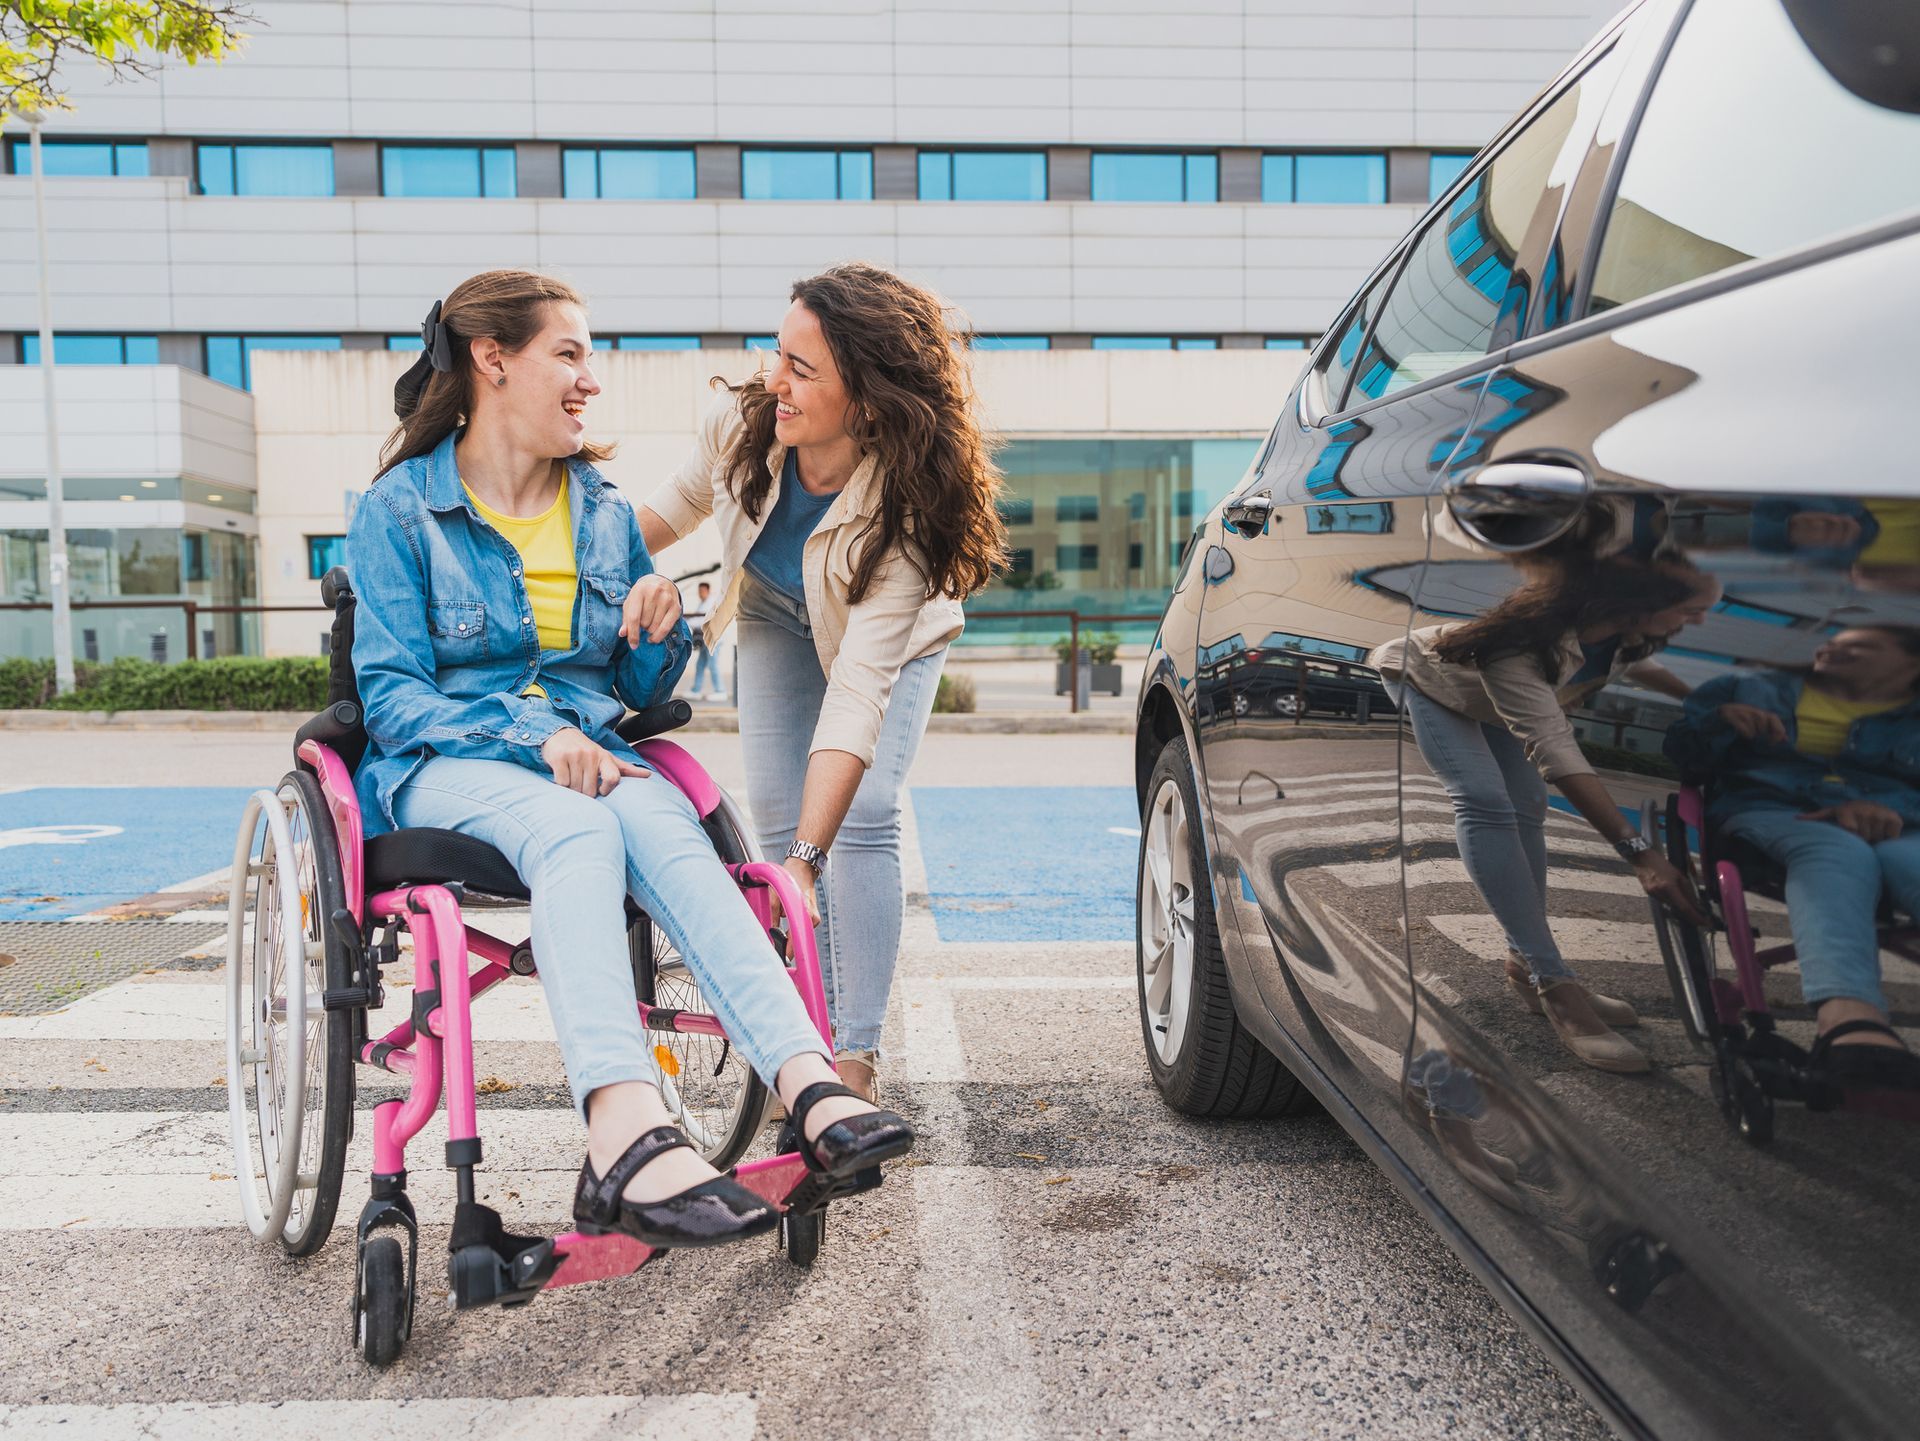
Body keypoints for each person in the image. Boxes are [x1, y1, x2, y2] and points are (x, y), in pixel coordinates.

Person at [347, 269, 915, 1251]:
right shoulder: (399, 510)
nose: (588, 381)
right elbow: (393, 696)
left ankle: (809, 1081)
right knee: (577, 826)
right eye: (568, 354)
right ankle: (622, 1126)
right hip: (447, 760)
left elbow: (635, 684)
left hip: (585, 748)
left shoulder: (600, 511)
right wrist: (535, 734)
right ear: (492, 361)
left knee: (670, 829)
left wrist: (657, 632)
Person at [631, 262, 1008, 1102]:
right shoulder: (742, 426)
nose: (776, 381)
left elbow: (859, 691)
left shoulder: (906, 507)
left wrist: (811, 856)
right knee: (775, 819)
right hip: (773, 606)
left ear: (866, 399)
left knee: (860, 815)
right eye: (778, 354)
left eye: (802, 370)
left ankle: (854, 1063)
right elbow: (659, 514)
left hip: (891, 642)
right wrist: (604, 573)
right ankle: (805, 1037)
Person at [1372, 557, 1719, 1073]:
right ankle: (1553, 984)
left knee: (1528, 804)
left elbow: (1634, 666)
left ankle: (1525, 962)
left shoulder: (1621, 635)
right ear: (1637, 602)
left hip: (1486, 701)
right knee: (1483, 798)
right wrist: (1639, 854)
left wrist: (1701, 700)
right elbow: (1555, 752)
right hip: (1428, 679)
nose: (1698, 621)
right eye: (1690, 610)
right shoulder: (1519, 648)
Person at [1667, 626, 1920, 1089]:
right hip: (1774, 812)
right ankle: (1848, 1018)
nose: (1827, 649)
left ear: (1911, 664)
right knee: (1836, 849)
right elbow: (1683, 754)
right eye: (1830, 644)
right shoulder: (1751, 688)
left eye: (1857, 646)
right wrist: (1720, 721)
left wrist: (1892, 810)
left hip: (1895, 823)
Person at [684, 579, 727, 701]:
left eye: (702, 591)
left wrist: (686, 622)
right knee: (700, 665)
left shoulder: (710, 603)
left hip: (713, 639)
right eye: (699, 591)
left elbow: (701, 621)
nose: (700, 593)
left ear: (708, 591)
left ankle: (720, 691)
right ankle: (696, 690)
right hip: (705, 640)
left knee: (713, 665)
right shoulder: (702, 603)